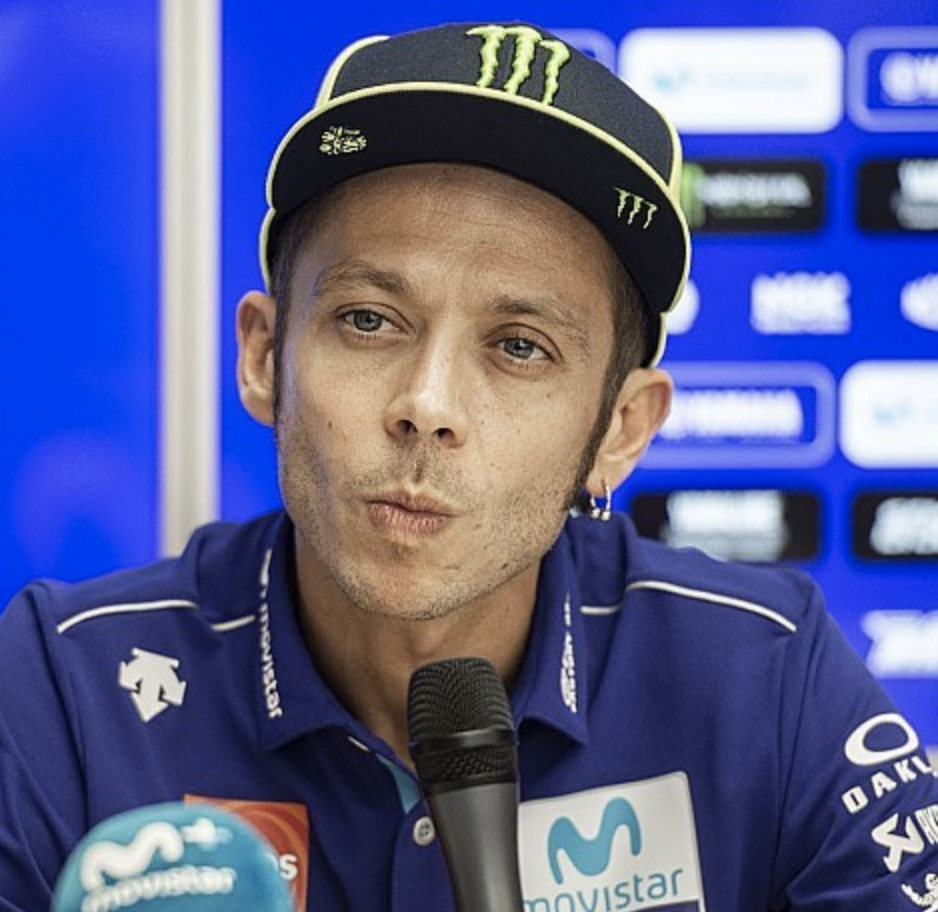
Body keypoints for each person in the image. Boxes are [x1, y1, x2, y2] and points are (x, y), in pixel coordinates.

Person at [0, 21, 935, 912]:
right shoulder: (66, 688)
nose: (428, 404)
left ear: (619, 430)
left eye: (520, 346)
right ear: (263, 358)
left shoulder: (766, 676)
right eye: (369, 320)